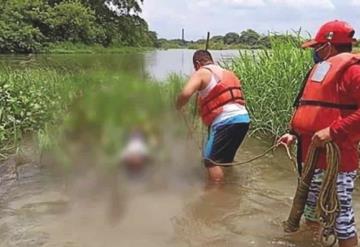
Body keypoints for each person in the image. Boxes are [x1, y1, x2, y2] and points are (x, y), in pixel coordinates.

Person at [279, 20, 360, 247]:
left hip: (339, 160)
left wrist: (333, 132)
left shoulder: (353, 71)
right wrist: (293, 134)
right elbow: (313, 108)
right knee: (312, 212)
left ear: (329, 45)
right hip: (312, 157)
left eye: (317, 46)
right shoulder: (319, 70)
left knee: (342, 219)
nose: (314, 51)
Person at [176, 50, 250, 182]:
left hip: (226, 121)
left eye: (194, 67)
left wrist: (177, 105)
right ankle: (230, 184)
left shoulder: (202, 72)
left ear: (198, 63)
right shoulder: (228, 73)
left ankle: (217, 193)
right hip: (243, 120)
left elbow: (185, 94)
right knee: (225, 159)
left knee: (209, 160)